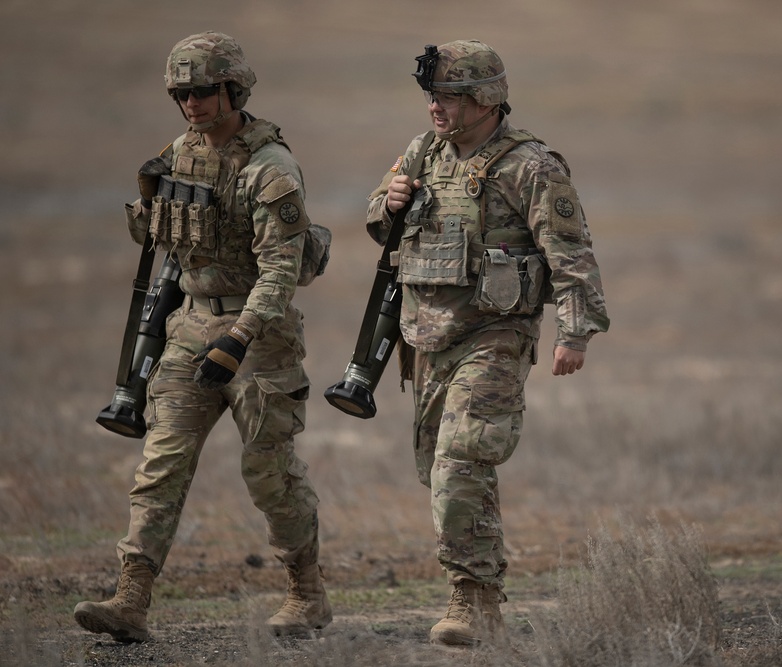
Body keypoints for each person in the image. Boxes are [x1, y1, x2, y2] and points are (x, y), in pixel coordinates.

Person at [74, 31, 332, 642]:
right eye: (181, 92)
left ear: (234, 90)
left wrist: (238, 339)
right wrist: (144, 205)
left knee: (268, 472)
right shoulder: (180, 153)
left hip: (258, 335)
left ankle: (307, 593)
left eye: (203, 91)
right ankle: (131, 601)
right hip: (189, 325)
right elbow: (157, 239)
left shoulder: (271, 168)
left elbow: (280, 273)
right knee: (160, 463)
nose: (191, 103)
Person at [365, 39, 610, 645]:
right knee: (444, 467)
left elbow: (572, 254)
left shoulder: (531, 166)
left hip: (495, 336)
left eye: (447, 96)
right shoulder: (423, 153)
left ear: (484, 99)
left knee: (460, 461)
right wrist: (388, 203)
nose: (435, 108)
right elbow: (381, 224)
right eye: (431, 96)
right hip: (426, 338)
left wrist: (572, 332)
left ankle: (471, 601)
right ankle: (486, 598)